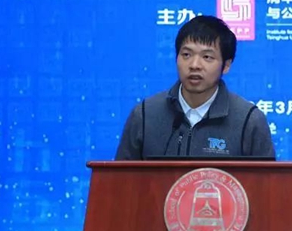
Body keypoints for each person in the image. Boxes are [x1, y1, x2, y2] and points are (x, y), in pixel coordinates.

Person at [115, 15, 275, 160]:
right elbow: (121, 179)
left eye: (207, 57)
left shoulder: (248, 120)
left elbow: (266, 182)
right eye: (186, 55)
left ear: (226, 65)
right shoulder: (145, 114)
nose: (194, 65)